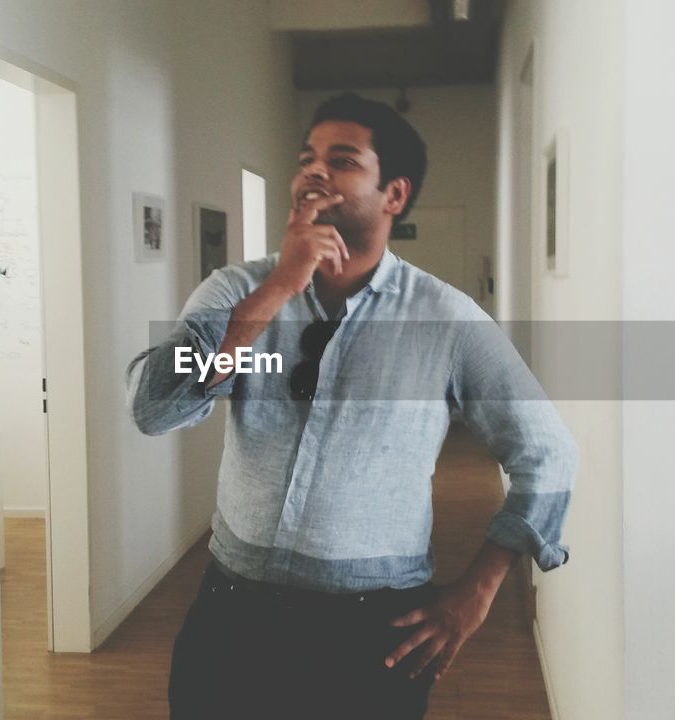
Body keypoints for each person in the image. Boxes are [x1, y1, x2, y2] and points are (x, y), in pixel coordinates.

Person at [125, 93, 578, 720]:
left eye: (341, 160)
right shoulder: (236, 292)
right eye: (306, 157)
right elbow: (156, 406)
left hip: (371, 636)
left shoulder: (443, 321)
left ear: (393, 194)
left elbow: (548, 453)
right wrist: (278, 288)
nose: (313, 171)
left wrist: (479, 590)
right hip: (231, 615)